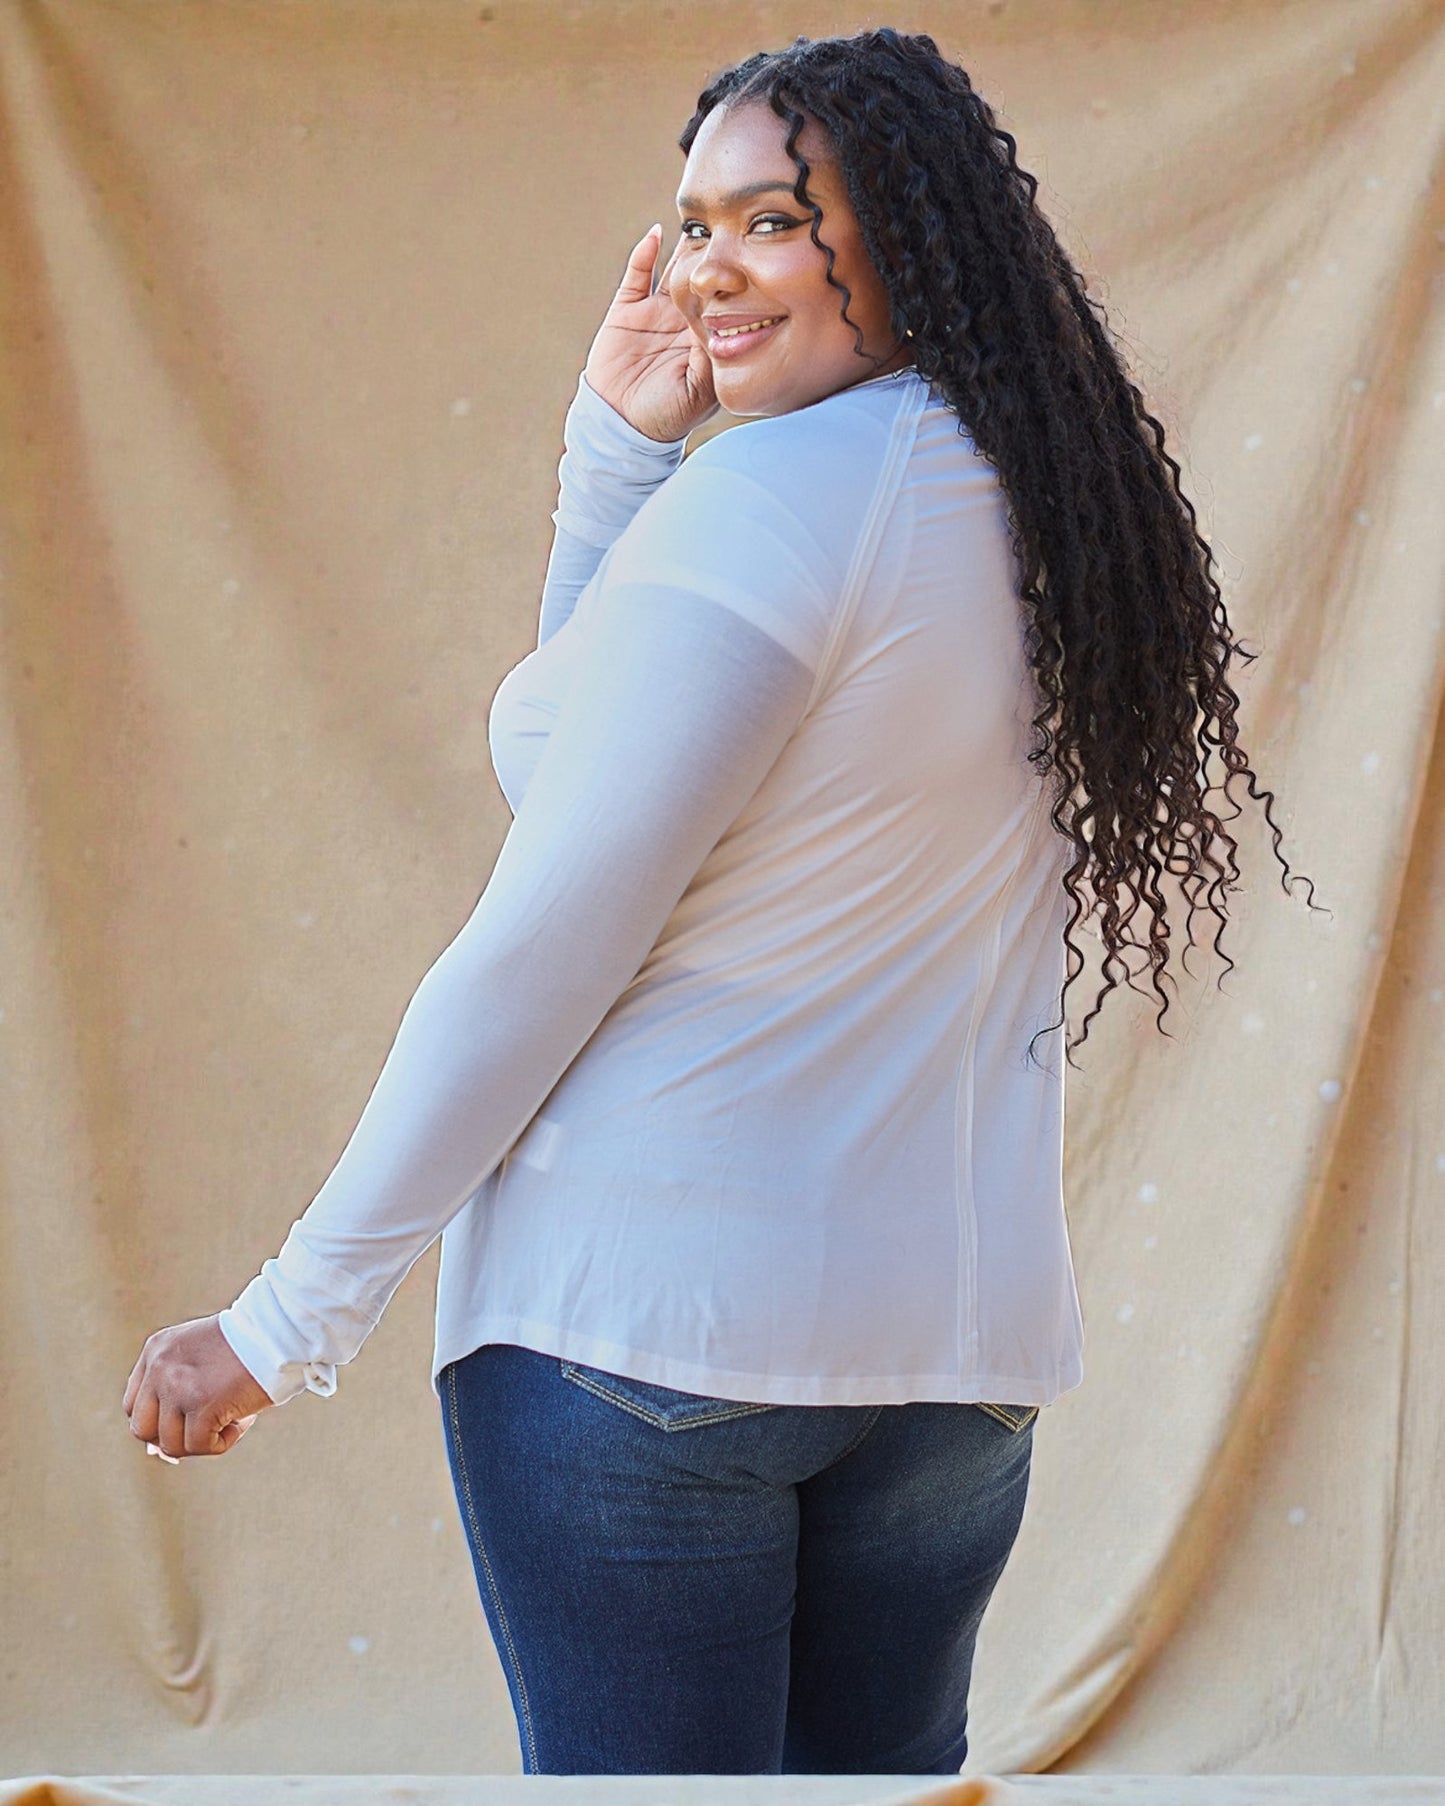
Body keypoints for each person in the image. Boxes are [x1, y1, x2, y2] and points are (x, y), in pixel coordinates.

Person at [122, 27, 1316, 1777]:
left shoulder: (773, 508)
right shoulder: (1055, 512)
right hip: (945, 1366)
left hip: (645, 1347)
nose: (709, 269)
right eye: (689, 226)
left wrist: (286, 1317)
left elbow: (543, 937)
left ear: (910, 237)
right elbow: (590, 764)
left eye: (773, 219)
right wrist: (617, 458)